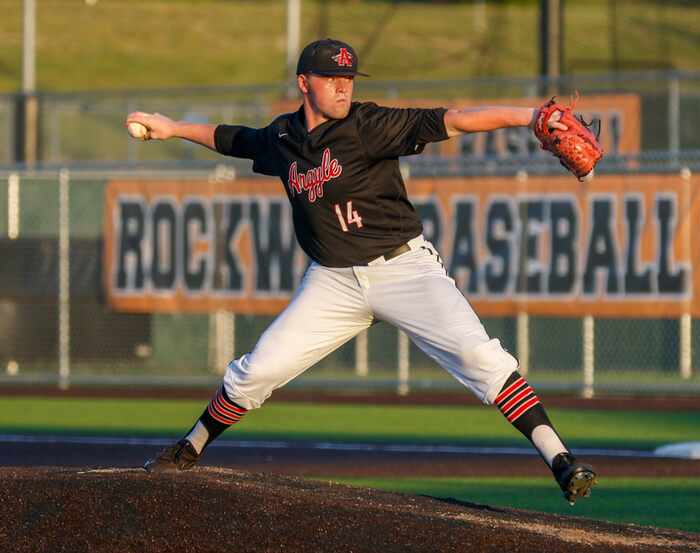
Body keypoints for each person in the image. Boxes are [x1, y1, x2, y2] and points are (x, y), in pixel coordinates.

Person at [129, 38, 596, 504]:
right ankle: (190, 446)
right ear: (303, 83)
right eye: (331, 78)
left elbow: (453, 120)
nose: (342, 88)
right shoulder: (283, 138)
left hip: (404, 268)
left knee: (481, 359)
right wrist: (172, 128)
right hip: (332, 280)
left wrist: (530, 116)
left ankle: (560, 460)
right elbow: (232, 138)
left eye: (347, 79)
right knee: (257, 370)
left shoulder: (368, 124)